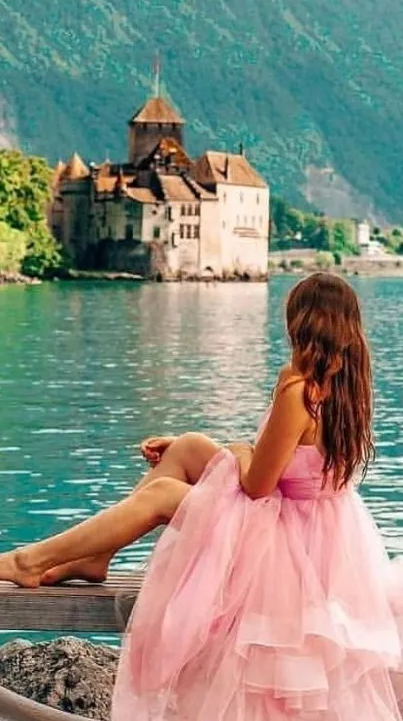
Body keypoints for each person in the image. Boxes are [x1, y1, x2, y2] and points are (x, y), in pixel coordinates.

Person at [1, 273, 403, 719]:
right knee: (190, 445)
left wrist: (235, 452)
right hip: (320, 530)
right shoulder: (349, 385)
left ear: (299, 323)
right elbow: (291, 461)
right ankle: (95, 557)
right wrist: (221, 452)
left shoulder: (298, 387)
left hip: (282, 542)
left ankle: (30, 561)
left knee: (162, 497)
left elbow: (257, 485)